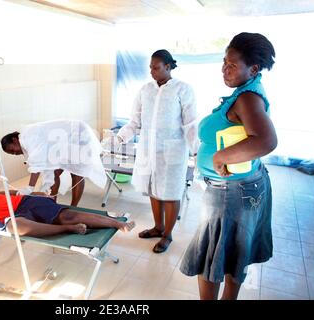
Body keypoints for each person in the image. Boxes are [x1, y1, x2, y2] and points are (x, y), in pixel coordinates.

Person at [179, 32, 278, 300]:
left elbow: (267, 141)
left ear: (253, 69)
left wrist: (221, 157)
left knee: (212, 257)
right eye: (224, 62)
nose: (224, 68)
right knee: (236, 252)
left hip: (230, 192)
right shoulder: (249, 91)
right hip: (246, 186)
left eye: (232, 64)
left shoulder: (247, 98)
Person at [115, 49, 199, 253]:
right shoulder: (145, 90)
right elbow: (134, 121)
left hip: (172, 151)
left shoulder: (182, 89)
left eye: (156, 67)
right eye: (150, 67)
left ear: (168, 67)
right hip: (148, 150)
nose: (151, 71)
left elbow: (191, 124)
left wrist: (196, 151)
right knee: (154, 189)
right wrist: (120, 137)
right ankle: (158, 226)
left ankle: (167, 235)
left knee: (170, 193)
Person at [0, 187, 135, 237]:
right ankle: (67, 229)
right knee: (15, 228)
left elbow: (10, 190)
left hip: (26, 202)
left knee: (68, 213)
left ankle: (117, 223)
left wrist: (35, 192)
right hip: (15, 217)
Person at [1, 119, 106, 206]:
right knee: (55, 173)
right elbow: (45, 166)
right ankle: (52, 203)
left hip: (77, 133)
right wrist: (44, 187)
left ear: (14, 140)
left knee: (76, 172)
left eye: (12, 150)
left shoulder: (28, 138)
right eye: (12, 154)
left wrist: (30, 188)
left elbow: (36, 165)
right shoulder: (25, 140)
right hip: (63, 141)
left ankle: (74, 207)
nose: (15, 153)